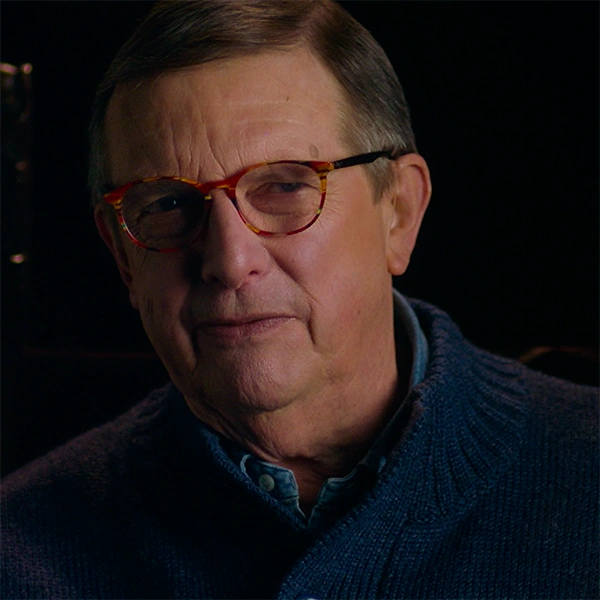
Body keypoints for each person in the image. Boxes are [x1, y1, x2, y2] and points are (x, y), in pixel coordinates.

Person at [1, 1, 597, 598]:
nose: (230, 262)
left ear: (399, 213)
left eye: (284, 186)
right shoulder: (20, 551)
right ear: (122, 257)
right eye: (167, 204)